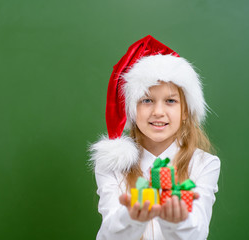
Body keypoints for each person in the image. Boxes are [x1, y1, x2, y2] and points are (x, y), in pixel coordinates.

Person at [89, 35, 220, 240]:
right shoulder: (112, 166)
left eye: (170, 100)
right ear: (132, 110)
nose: (158, 112)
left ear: (185, 111)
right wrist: (131, 217)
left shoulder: (204, 164)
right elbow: (110, 234)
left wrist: (176, 221)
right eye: (147, 100)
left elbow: (198, 233)